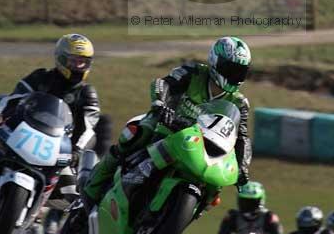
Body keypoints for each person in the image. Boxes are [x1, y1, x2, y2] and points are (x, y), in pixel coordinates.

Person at [83, 36, 252, 208]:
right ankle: (91, 189)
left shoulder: (240, 103)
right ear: (215, 62)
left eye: (240, 71)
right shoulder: (193, 73)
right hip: (167, 125)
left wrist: (243, 169)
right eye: (230, 69)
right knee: (135, 136)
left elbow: (242, 137)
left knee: (215, 187)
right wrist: (159, 104)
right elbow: (163, 84)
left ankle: (190, 210)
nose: (234, 76)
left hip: (203, 144)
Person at [0, 33, 100, 200]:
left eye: (83, 62)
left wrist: (77, 151)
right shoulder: (40, 77)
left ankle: (53, 222)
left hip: (57, 149)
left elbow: (89, 128)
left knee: (77, 193)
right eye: (73, 61)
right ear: (61, 59)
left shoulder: (87, 93)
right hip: (23, 132)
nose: (78, 67)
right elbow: (13, 98)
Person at [210, 181, 286, 234]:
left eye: (252, 202)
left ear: (260, 201)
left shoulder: (269, 216)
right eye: (244, 201)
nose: (248, 206)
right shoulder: (232, 216)